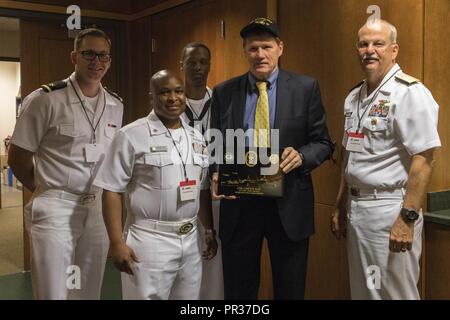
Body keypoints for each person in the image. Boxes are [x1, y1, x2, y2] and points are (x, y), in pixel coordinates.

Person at [210, 18, 334, 299]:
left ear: (280, 48)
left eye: (266, 47)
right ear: (245, 51)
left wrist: (302, 155)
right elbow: (214, 143)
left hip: (288, 205)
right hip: (240, 205)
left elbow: (324, 143)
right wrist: (215, 172)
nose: (260, 55)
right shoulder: (223, 92)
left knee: (290, 290)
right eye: (253, 48)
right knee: (239, 291)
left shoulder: (305, 88)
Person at [8, 28, 123, 299]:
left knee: (87, 290)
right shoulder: (46, 99)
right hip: (56, 206)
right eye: (89, 54)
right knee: (53, 291)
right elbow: (18, 157)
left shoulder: (115, 105)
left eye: (103, 56)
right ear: (74, 57)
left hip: (97, 208)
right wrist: (47, 188)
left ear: (109, 60)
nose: (96, 62)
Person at [331, 19, 441, 300]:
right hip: (357, 211)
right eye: (363, 44)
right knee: (366, 292)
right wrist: (340, 203)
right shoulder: (354, 97)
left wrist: (407, 218)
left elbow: (424, 158)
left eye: (378, 43)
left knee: (394, 294)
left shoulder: (410, 93)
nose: (370, 50)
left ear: (394, 50)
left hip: (390, 211)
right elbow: (349, 156)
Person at [94, 70, 217, 300]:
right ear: (151, 97)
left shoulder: (196, 138)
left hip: (191, 239)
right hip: (150, 241)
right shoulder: (131, 135)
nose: (173, 98)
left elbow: (200, 189)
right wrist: (116, 242)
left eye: (178, 91)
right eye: (164, 92)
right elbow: (111, 189)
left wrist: (208, 230)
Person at [180, 42, 224, 300]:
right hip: (182, 199)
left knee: (214, 270)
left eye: (203, 62)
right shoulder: (168, 104)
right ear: (181, 64)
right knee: (187, 271)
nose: (197, 67)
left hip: (216, 200)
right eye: (191, 62)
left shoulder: (222, 102)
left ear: (209, 65)